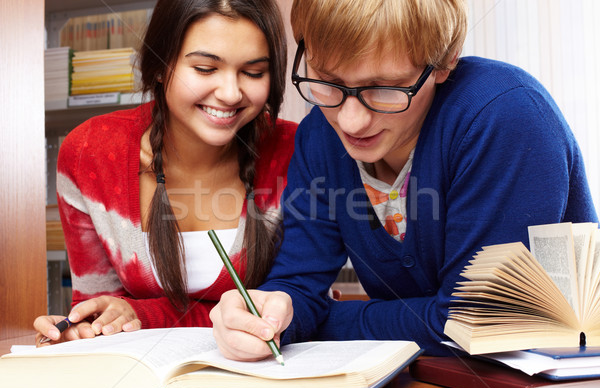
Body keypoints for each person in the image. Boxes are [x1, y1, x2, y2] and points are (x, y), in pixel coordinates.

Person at [209, 0, 599, 358]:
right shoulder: (317, 137)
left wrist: (324, 322)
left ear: (444, 62)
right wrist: (271, 313)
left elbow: (473, 322)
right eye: (327, 81)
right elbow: (298, 286)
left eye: (383, 89)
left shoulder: (504, 116)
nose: (350, 121)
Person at [34, 0, 296, 346]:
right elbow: (97, 305)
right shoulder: (88, 153)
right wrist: (87, 325)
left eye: (253, 72)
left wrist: (143, 315)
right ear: (159, 66)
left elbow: (290, 308)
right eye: (205, 68)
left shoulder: (296, 150)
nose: (231, 93)